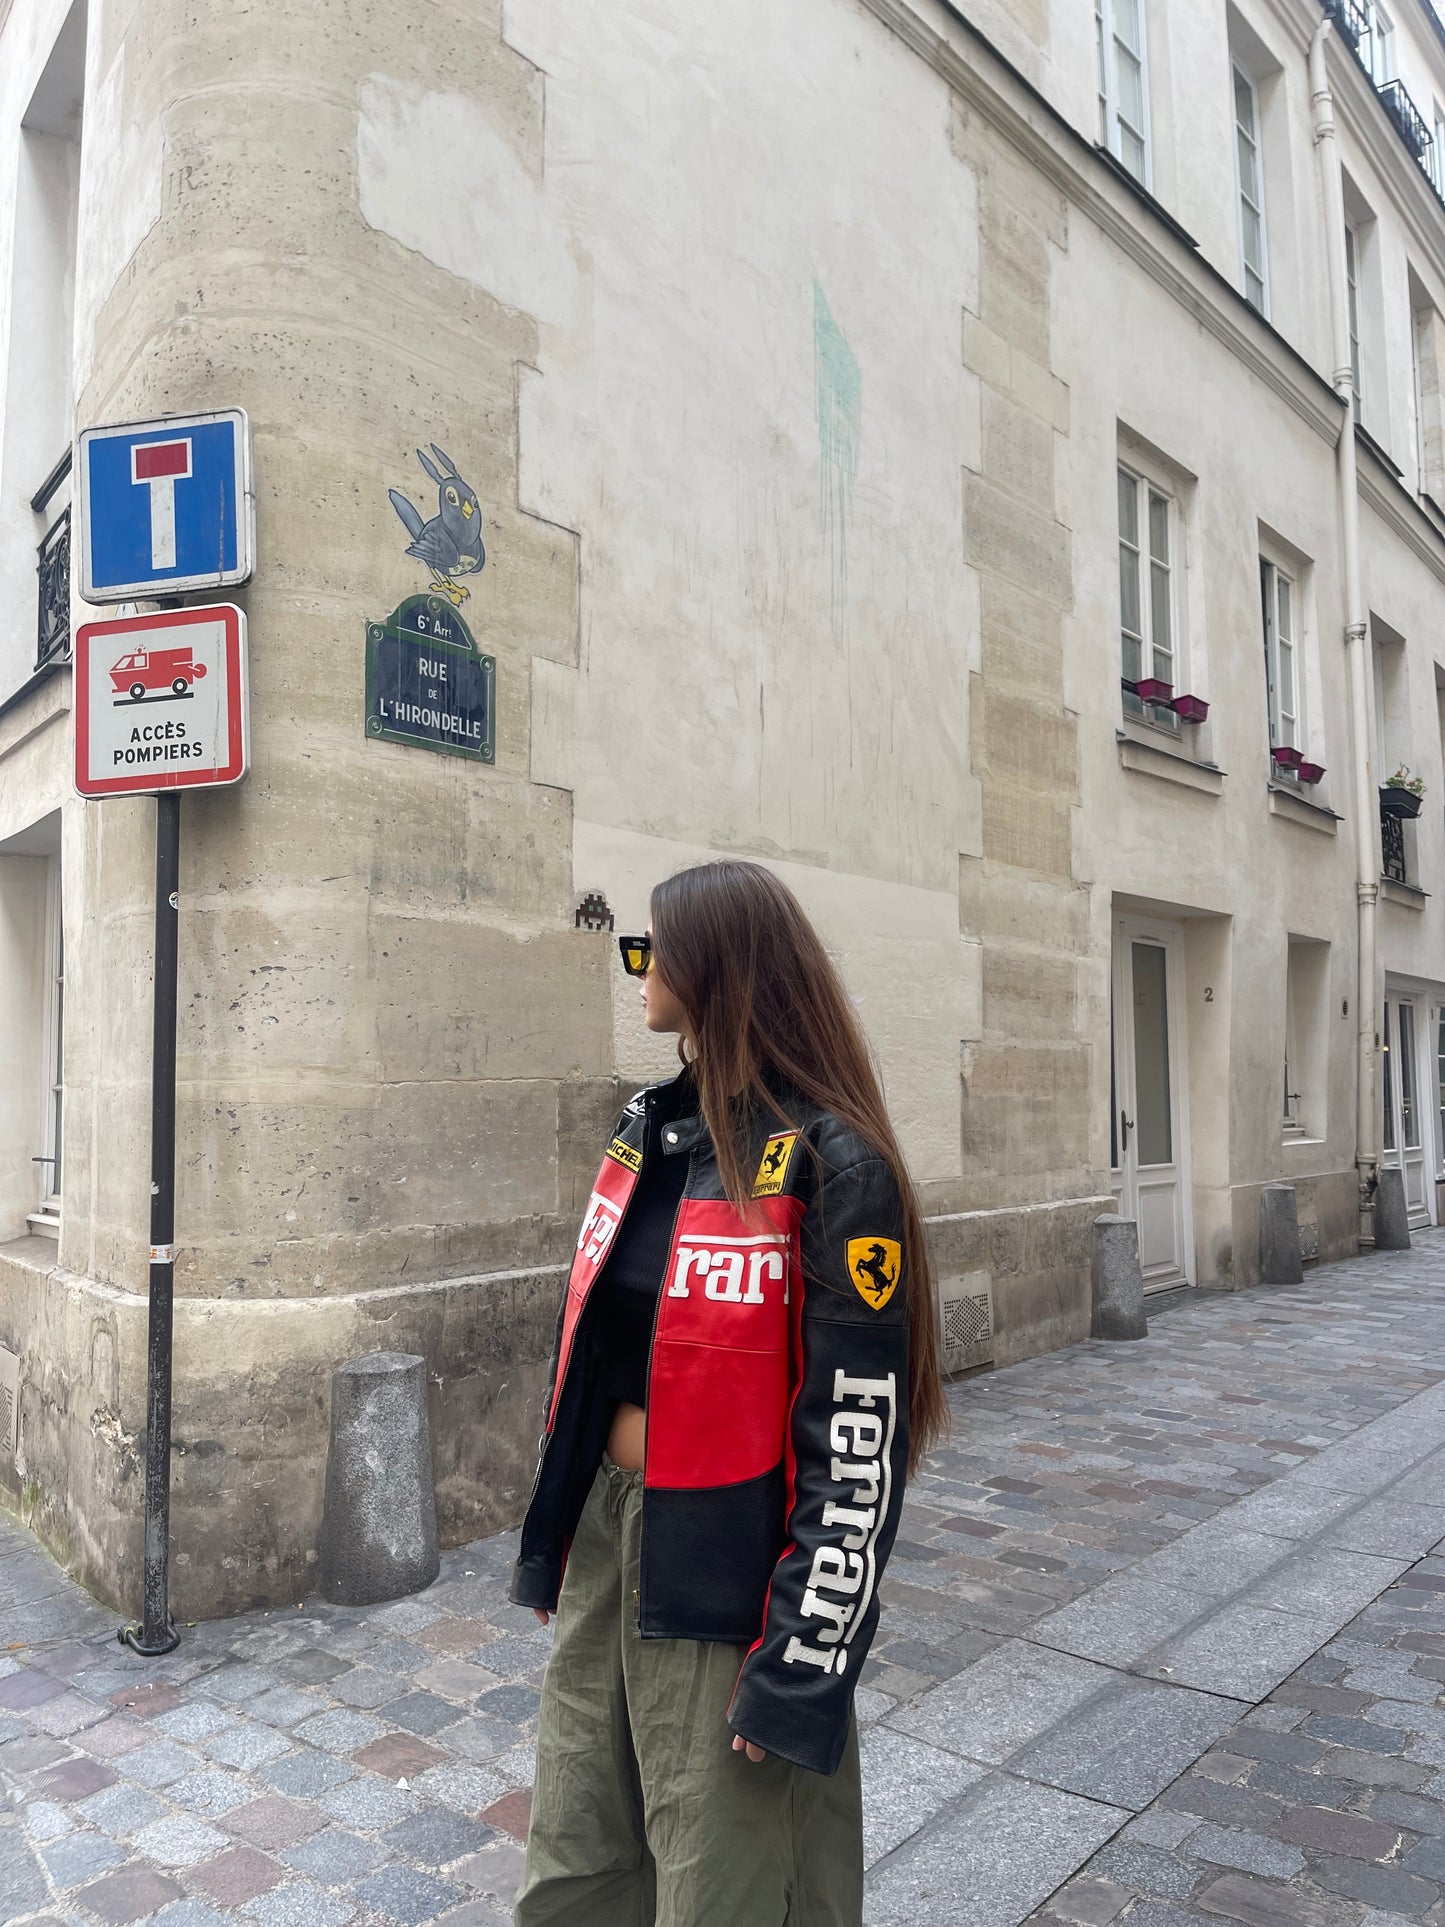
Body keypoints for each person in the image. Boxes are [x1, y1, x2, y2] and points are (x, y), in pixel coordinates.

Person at [511, 859, 947, 1927]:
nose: (639, 968)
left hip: (727, 1570)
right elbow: (597, 1353)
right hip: (612, 1550)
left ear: (714, 969)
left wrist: (803, 1660)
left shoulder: (834, 1165)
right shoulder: (647, 1132)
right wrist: (556, 1541)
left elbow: (857, 1444)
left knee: (728, 1884)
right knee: (577, 1862)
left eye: (652, 947)